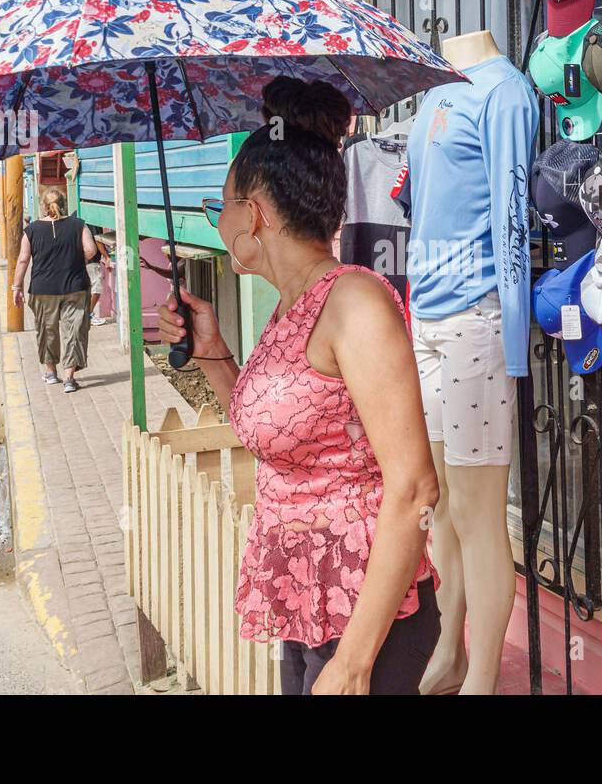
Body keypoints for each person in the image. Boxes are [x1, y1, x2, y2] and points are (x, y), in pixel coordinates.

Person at [156, 77, 440, 695]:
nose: (220, 218)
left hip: (367, 612)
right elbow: (276, 434)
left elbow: (416, 486)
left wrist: (356, 660)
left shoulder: (355, 304)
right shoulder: (291, 309)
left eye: (222, 206)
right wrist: (212, 352)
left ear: (254, 215)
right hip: (306, 598)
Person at [12, 187, 97, 394]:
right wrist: (73, 262)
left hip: (43, 289)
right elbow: (91, 250)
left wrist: (17, 286)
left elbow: (23, 259)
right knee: (74, 330)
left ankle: (51, 373)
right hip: (74, 286)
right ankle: (69, 378)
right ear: (64, 204)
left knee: (47, 330)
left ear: (43, 205)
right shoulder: (79, 225)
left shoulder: (31, 230)